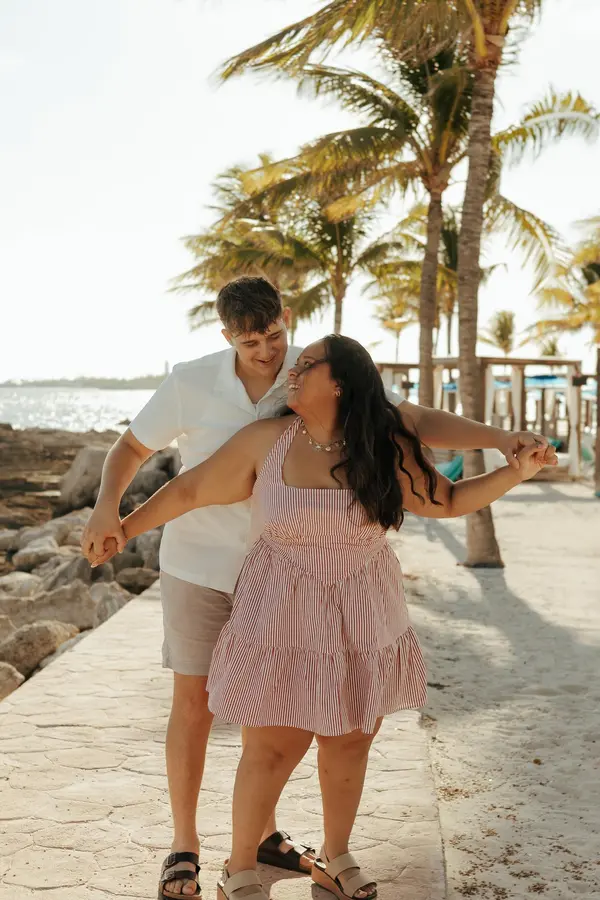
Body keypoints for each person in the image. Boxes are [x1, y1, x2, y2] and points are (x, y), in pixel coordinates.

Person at [82, 277, 556, 900]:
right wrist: (116, 524)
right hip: (243, 587)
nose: (276, 360)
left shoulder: (367, 431)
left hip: (356, 611)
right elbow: (186, 484)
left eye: (282, 343)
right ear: (228, 338)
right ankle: (205, 853)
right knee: (249, 729)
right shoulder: (234, 410)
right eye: (252, 343)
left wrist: (508, 458)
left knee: (349, 736)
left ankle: (323, 853)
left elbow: (439, 482)